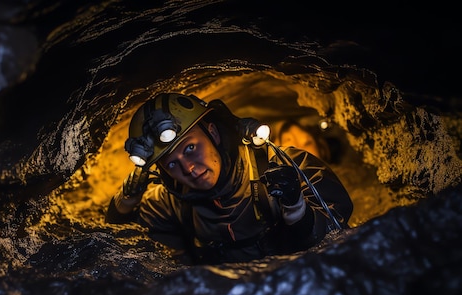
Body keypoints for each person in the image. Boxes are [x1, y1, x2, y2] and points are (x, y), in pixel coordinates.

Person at [105, 93, 353, 264]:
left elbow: (338, 238)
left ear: (213, 133)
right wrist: (125, 202)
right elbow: (115, 243)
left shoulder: (287, 168)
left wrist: (296, 207)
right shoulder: (171, 201)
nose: (189, 168)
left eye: (191, 148)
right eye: (171, 163)